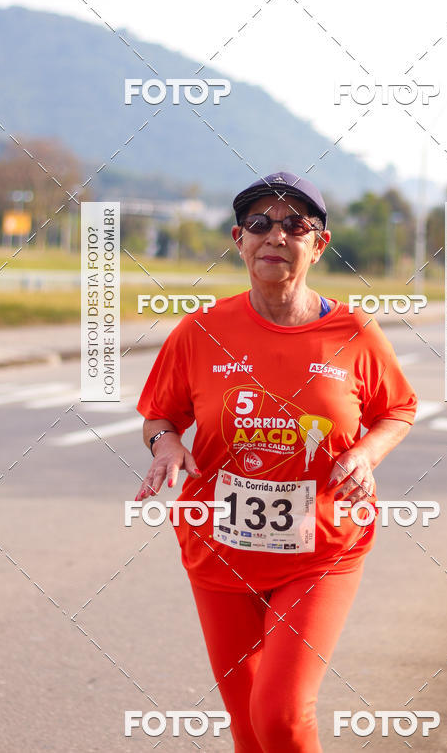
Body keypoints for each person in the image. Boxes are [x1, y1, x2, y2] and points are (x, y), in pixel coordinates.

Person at [135, 171, 417, 752]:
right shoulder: (200, 332)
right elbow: (159, 416)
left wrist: (367, 453)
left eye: (295, 225)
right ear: (239, 240)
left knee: (282, 716)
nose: (276, 236)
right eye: (260, 224)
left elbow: (398, 410)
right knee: (247, 724)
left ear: (320, 243)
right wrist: (165, 444)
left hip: (321, 550)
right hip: (220, 549)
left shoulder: (355, 333)